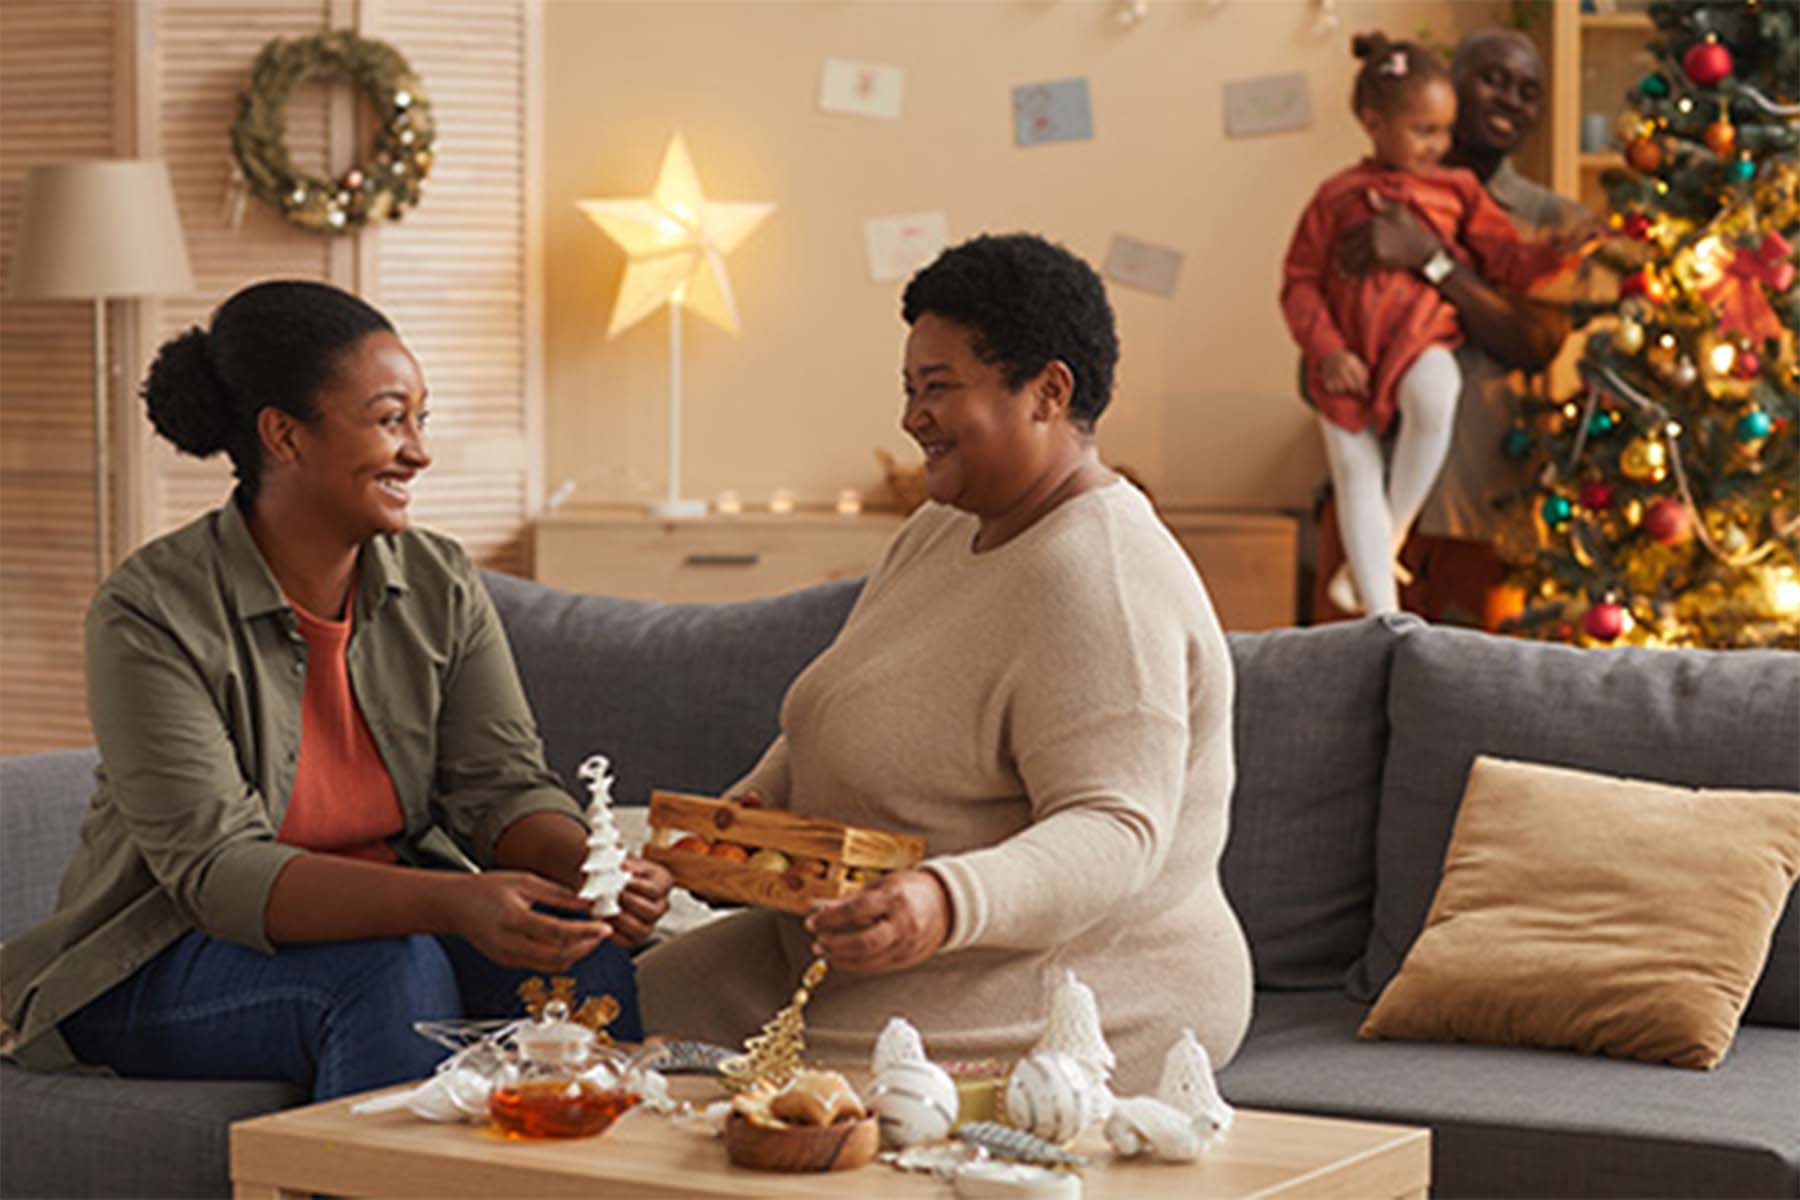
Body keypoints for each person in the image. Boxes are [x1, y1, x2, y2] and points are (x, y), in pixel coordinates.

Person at [0, 281, 673, 1100]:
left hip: (391, 926)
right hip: (165, 954)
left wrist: (592, 868)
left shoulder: (440, 582)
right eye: (391, 420)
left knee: (585, 948)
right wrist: (454, 902)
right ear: (284, 435)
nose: (419, 452)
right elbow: (217, 871)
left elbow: (500, 785)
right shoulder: (150, 610)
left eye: (420, 420)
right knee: (391, 970)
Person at [637, 233, 1253, 1093]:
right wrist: (751, 820)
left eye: (938, 389)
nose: (910, 417)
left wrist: (943, 901)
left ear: (1048, 392)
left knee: (680, 1094)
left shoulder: (1100, 577)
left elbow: (1117, 830)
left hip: (1038, 990)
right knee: (585, 1014)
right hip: (844, 950)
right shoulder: (945, 525)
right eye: (908, 389)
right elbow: (836, 706)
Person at [1281, 31, 1570, 616]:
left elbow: (1535, 338)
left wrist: (1430, 258)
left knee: (1468, 685)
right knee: (1352, 673)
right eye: (1492, 79)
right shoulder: (1346, 197)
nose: (1510, 100)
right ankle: (1375, 569)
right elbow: (1304, 286)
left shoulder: (1539, 213)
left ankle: (1383, 548)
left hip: (1479, 510)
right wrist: (1333, 349)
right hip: (1364, 457)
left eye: (1528, 91)